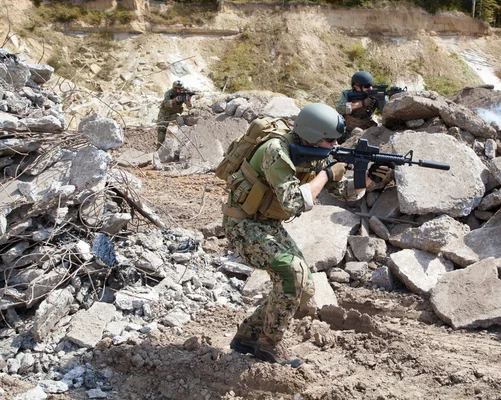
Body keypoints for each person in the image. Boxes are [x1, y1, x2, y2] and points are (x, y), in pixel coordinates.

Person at [222, 103, 391, 367]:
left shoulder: (315, 152)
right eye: (329, 141)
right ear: (312, 135)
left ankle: (247, 335)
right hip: (243, 225)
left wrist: (368, 179)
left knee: (305, 287)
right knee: (292, 273)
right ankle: (269, 344)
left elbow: (343, 193)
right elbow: (293, 203)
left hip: (269, 225)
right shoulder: (275, 152)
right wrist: (325, 173)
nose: (333, 146)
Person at [335, 71, 387, 144]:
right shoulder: (346, 94)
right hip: (345, 131)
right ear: (356, 87)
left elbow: (386, 112)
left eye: (371, 85)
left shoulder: (375, 95)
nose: (370, 88)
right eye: (367, 86)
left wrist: (382, 99)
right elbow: (340, 108)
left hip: (365, 132)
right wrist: (362, 103)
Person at [156, 80, 192, 149]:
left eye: (180, 89)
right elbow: (166, 103)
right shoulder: (169, 93)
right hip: (164, 114)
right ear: (173, 88)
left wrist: (189, 99)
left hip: (173, 114)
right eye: (176, 89)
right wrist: (174, 100)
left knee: (180, 119)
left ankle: (183, 138)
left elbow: (189, 106)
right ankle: (159, 149)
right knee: (161, 133)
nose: (178, 90)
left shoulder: (183, 94)